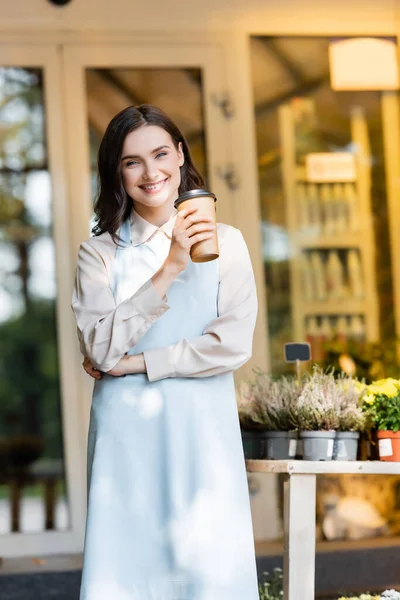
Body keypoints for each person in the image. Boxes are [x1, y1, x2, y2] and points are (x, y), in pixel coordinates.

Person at [72, 104, 259, 600]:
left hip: (203, 434)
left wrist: (134, 363)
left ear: (180, 155)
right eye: (132, 161)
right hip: (126, 439)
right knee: (128, 575)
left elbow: (232, 345)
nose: (151, 172)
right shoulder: (100, 253)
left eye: (160, 153)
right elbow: (98, 344)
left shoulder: (228, 244)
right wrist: (172, 265)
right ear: (117, 172)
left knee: (211, 574)